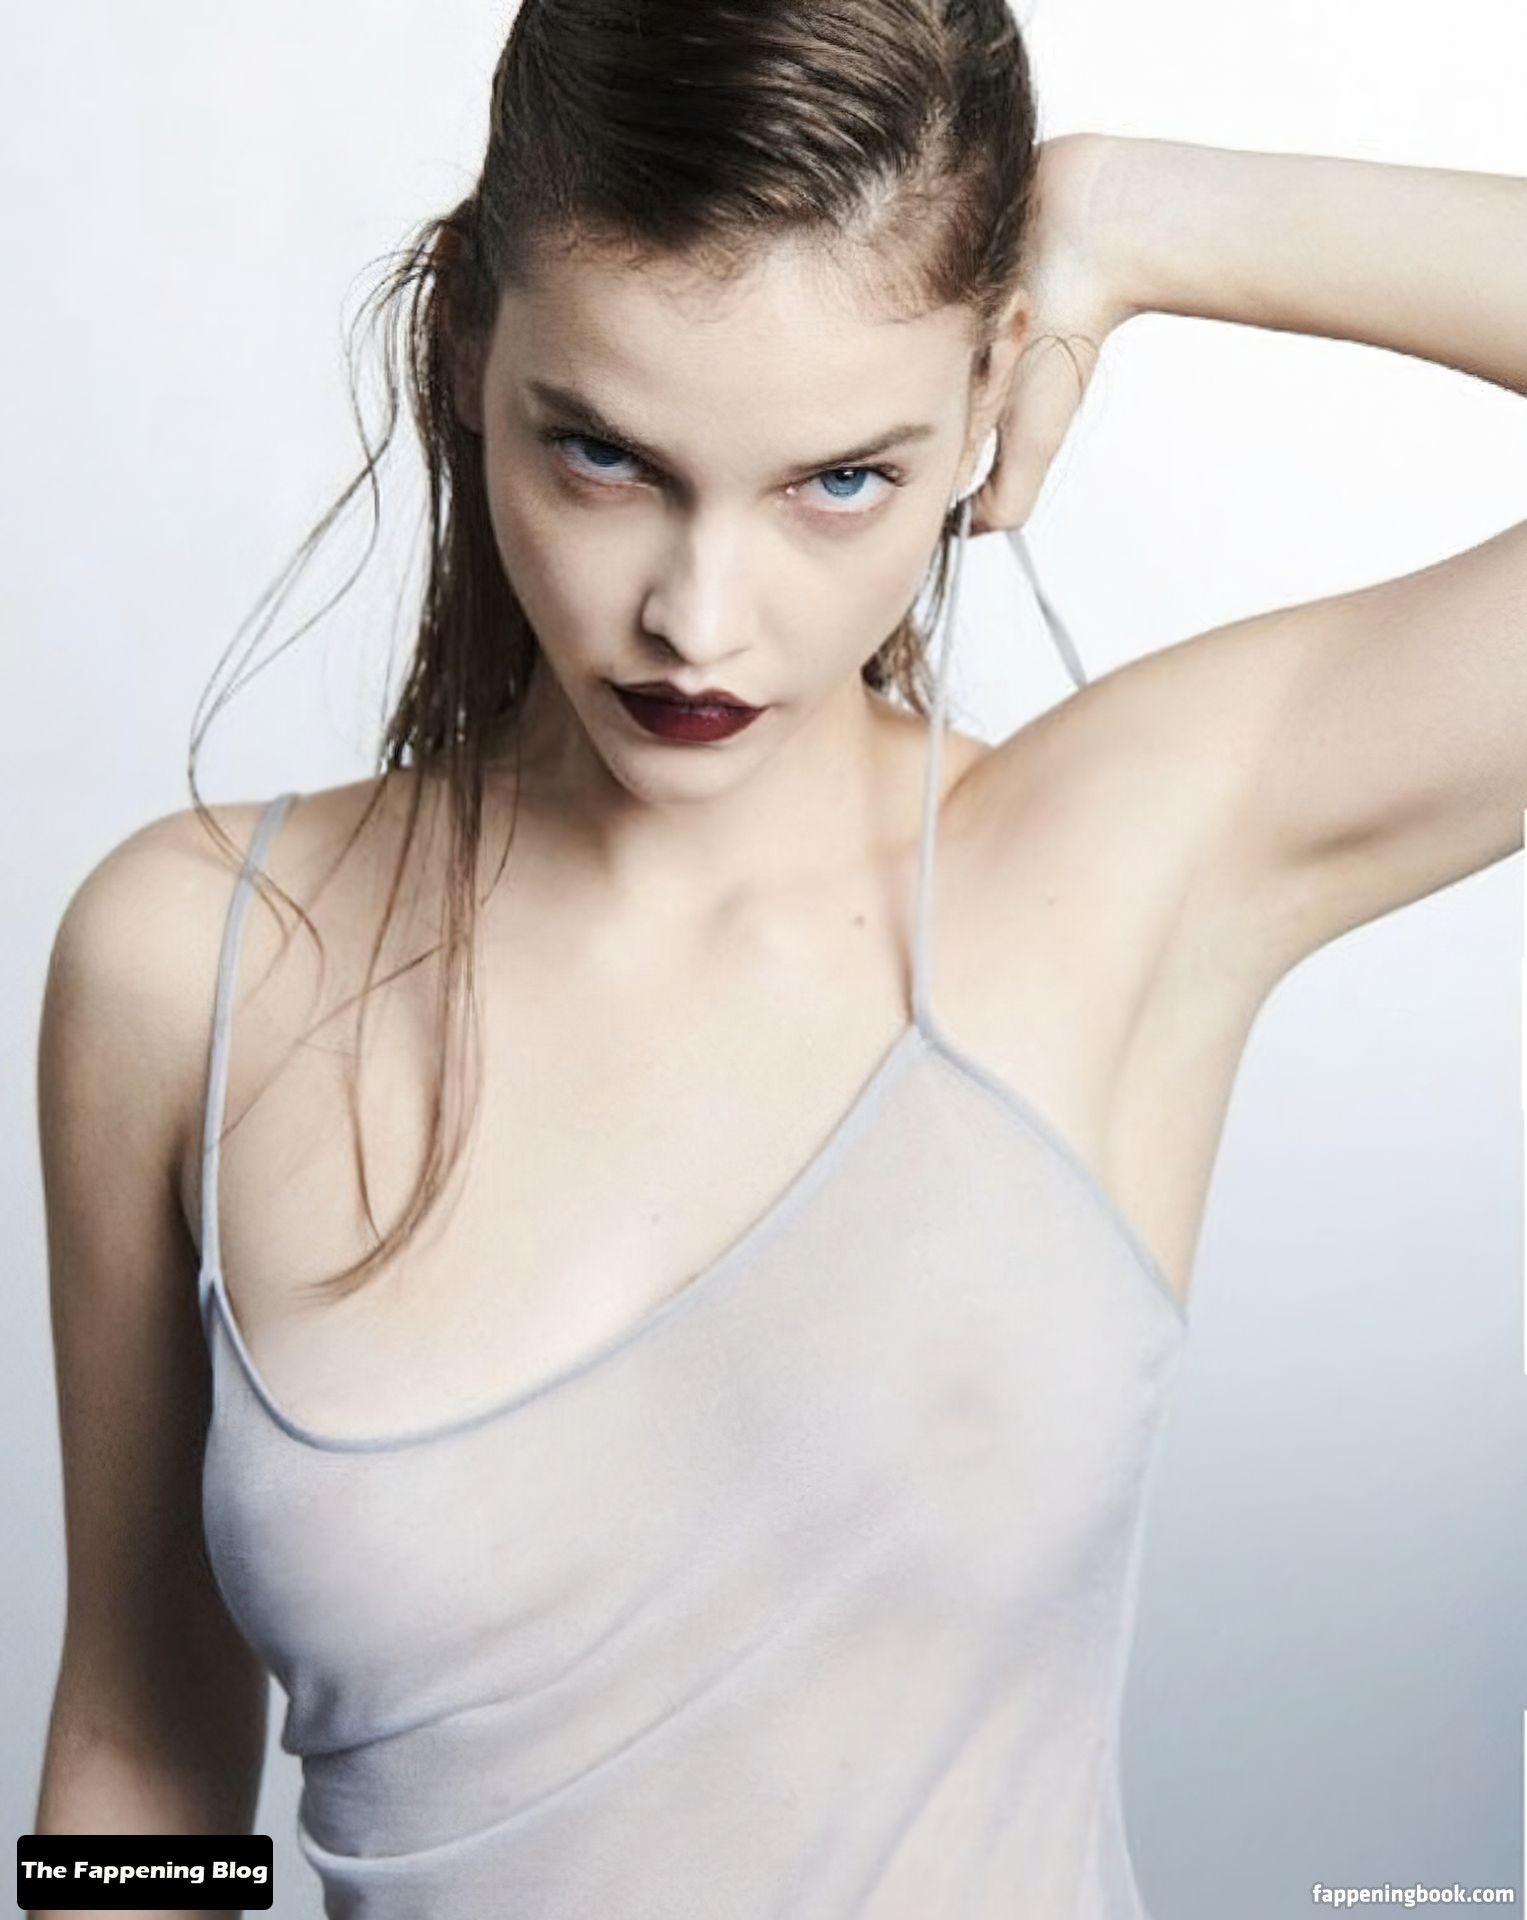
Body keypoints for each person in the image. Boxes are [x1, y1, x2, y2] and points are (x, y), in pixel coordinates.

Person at [31, 2, 1526, 1915]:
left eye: (839, 481)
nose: (698, 617)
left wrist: (1152, 219)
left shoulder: (1116, 870)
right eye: (604, 455)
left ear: (989, 399)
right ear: (467, 338)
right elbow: (144, 1740)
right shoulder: (195, 961)